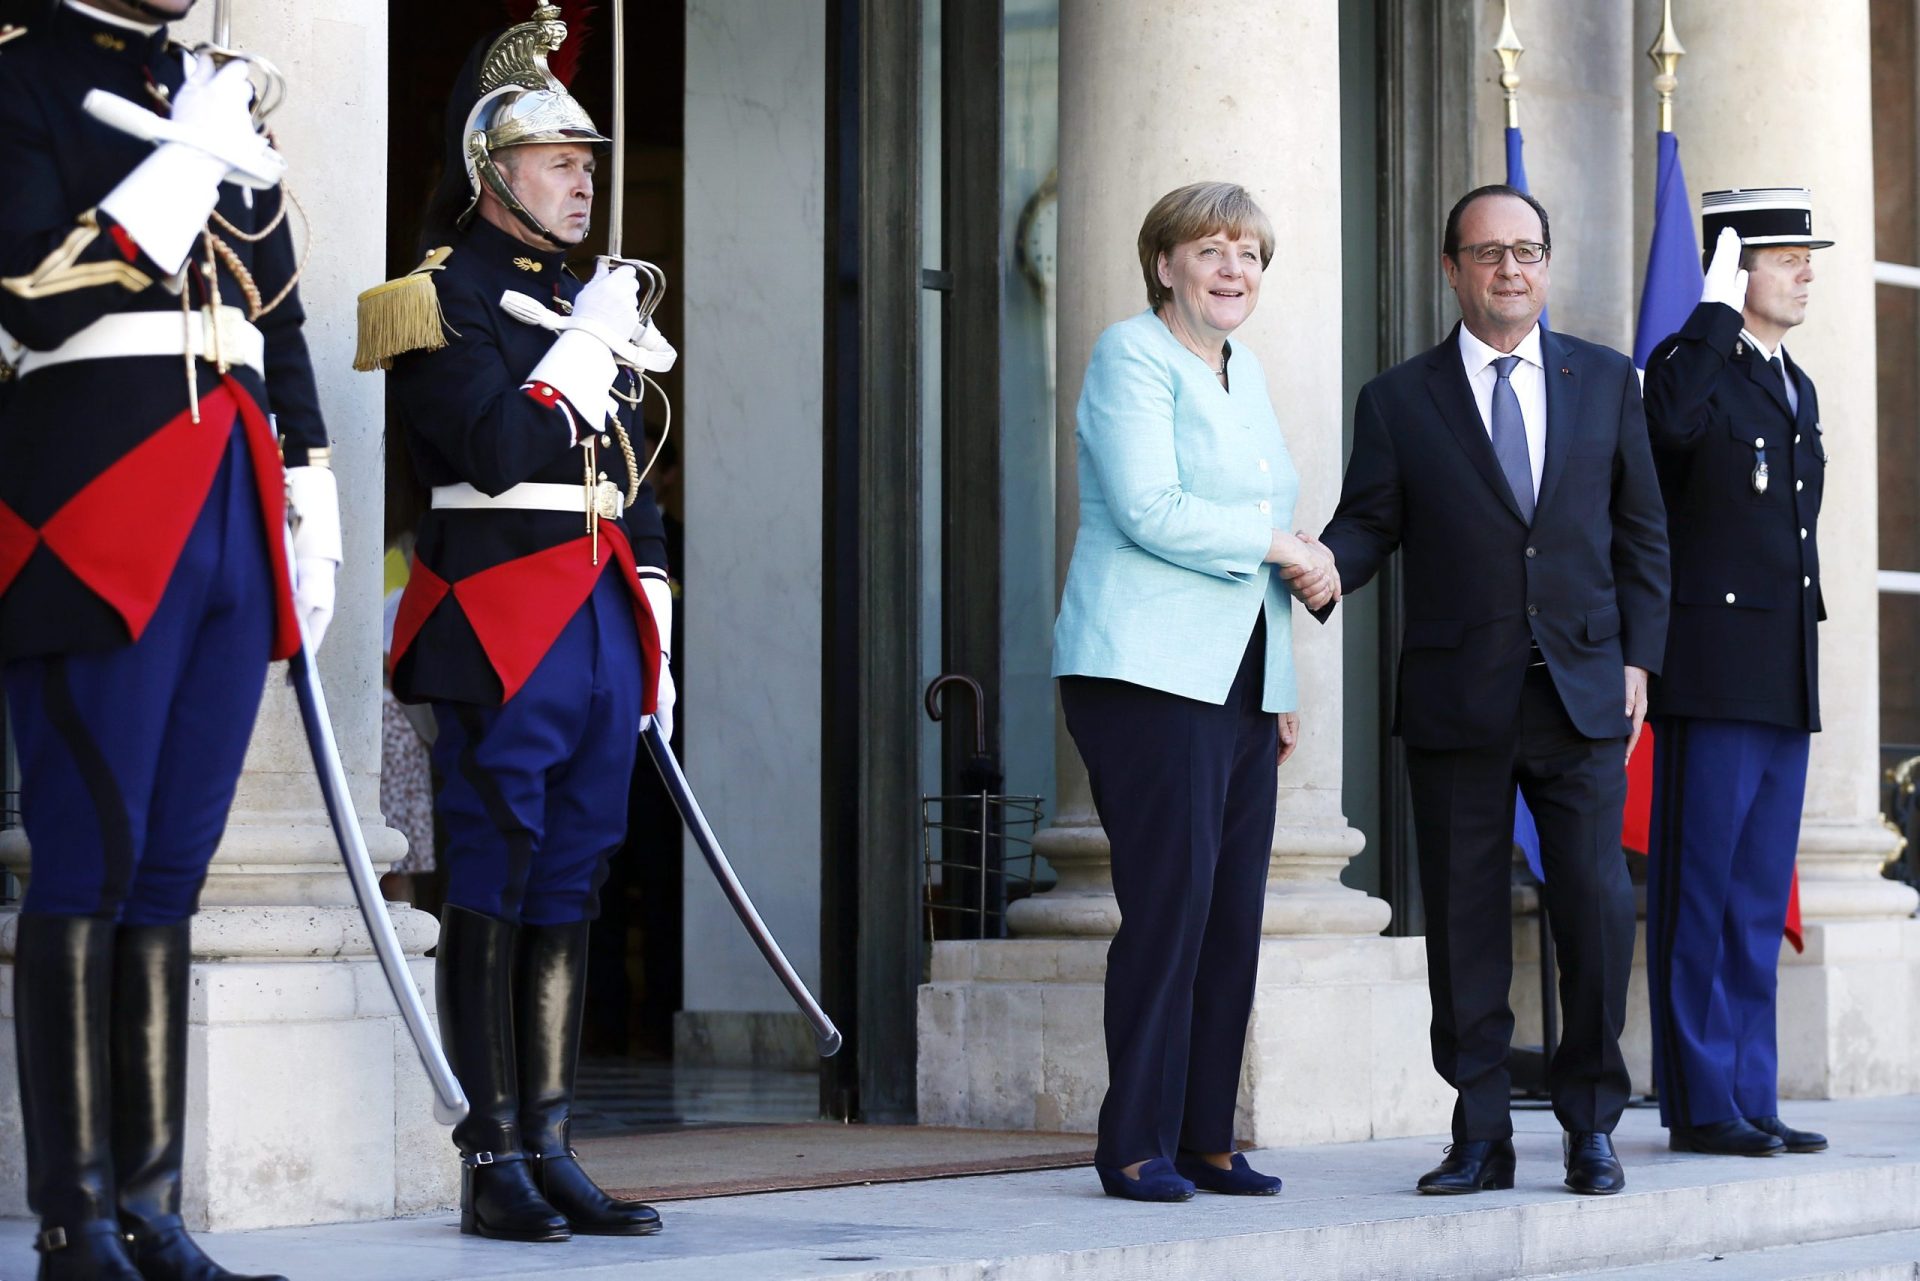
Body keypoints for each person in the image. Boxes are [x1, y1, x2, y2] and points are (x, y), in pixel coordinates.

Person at [0, 0, 337, 1277]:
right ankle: (74, 1218)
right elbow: (28, 295)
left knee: (172, 874)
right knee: (89, 860)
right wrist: (177, 167)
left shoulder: (214, 85)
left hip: (233, 498)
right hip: (95, 497)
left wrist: (313, 496)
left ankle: (153, 1207)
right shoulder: (24, 81)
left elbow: (280, 320)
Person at [359, 5, 675, 1244]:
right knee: (495, 864)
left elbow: (628, 469)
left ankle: (552, 1139)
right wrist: (582, 351)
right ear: (494, 176)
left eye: (590, 162)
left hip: (595, 611)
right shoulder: (436, 298)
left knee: (577, 874)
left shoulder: (586, 295)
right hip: (498, 613)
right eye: (558, 161)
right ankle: (489, 1149)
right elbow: (493, 451)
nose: (583, 179)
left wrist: (653, 600)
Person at [1301, 185, 1668, 1197]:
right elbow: (1369, 522)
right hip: (1458, 696)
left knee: (1596, 914)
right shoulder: (1399, 399)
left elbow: (1643, 533)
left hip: (1585, 694)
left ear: (1546, 266)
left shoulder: (1605, 382)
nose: (1512, 269)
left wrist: (1640, 658)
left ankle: (1592, 1126)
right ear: (1453, 268)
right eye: (1489, 252)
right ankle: (1480, 1131)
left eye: (1528, 250)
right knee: (1463, 921)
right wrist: (1326, 564)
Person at [1052, 181, 1335, 1204]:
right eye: (1210, 250)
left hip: (1239, 681)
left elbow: (1261, 530)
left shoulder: (1243, 369)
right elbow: (1149, 509)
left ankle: (1208, 1137)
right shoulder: (1130, 355)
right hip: (1144, 673)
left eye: (1250, 255)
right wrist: (1285, 550)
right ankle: (1133, 1143)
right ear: (1164, 263)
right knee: (1171, 912)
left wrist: (1279, 682)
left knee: (1232, 916)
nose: (1232, 271)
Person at [1641, 189, 1831, 1159]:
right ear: (1734, 267)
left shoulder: (1791, 383)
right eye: (1785, 255)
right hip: (1710, 675)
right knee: (1703, 892)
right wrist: (1711, 315)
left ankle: (1751, 1091)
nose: (1805, 271)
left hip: (1779, 676)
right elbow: (1666, 431)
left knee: (1757, 897)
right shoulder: (1692, 365)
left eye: (1808, 256)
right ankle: (1702, 1098)